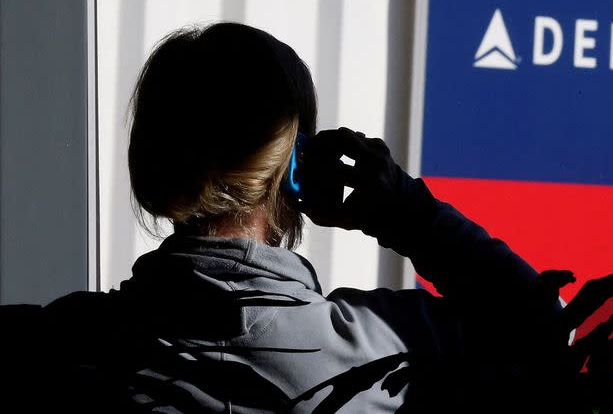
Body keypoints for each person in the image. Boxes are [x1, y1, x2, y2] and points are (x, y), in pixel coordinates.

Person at [12, 23, 561, 413]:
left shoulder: (59, 346)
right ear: (296, 167)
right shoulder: (381, 352)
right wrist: (406, 213)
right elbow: (546, 325)